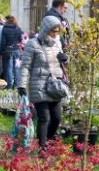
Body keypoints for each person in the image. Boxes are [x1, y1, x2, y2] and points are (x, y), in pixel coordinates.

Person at [19, 16, 68, 148]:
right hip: (39, 85)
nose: (56, 34)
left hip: (55, 86)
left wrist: (65, 59)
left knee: (57, 118)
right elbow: (25, 66)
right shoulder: (33, 44)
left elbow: (63, 64)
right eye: (53, 31)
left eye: (58, 31)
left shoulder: (57, 44)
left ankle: (48, 140)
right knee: (44, 117)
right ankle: (43, 148)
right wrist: (21, 84)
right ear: (46, 30)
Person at [0, 15, 24, 89]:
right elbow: (21, 40)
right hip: (17, 51)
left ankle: (9, 85)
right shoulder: (18, 29)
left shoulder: (5, 29)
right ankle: (16, 85)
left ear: (8, 20)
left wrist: (0, 52)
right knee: (17, 68)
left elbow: (3, 42)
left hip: (8, 51)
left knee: (9, 68)